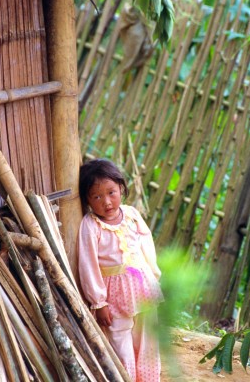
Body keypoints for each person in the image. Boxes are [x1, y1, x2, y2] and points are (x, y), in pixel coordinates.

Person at [77, 158, 163, 381]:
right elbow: (88, 264)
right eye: (97, 196)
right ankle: (124, 377)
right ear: (87, 200)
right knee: (119, 339)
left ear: (122, 189)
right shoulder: (91, 225)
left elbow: (147, 245)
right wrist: (99, 302)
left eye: (111, 192)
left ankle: (148, 378)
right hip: (113, 294)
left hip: (143, 287)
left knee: (147, 337)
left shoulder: (132, 214)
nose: (106, 202)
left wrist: (153, 275)